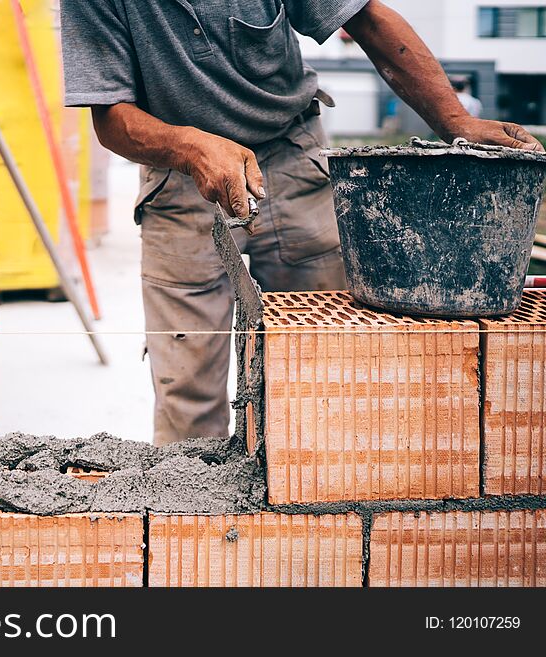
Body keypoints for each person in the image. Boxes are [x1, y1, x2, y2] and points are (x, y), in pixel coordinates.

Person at [60, 0, 545, 446]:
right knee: (186, 390)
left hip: (289, 157)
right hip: (177, 175)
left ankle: (319, 512)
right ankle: (202, 524)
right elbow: (111, 115)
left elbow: (367, 19)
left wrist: (455, 120)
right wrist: (190, 147)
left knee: (324, 370)